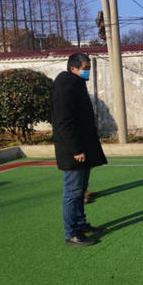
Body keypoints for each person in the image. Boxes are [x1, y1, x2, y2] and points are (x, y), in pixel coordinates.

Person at [51, 53, 107, 246]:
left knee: (81, 190)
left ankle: (81, 224)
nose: (87, 71)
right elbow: (64, 123)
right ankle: (71, 233)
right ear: (73, 68)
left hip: (84, 147)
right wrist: (76, 150)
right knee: (73, 192)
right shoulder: (64, 88)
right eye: (85, 68)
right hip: (73, 150)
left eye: (89, 68)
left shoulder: (77, 85)